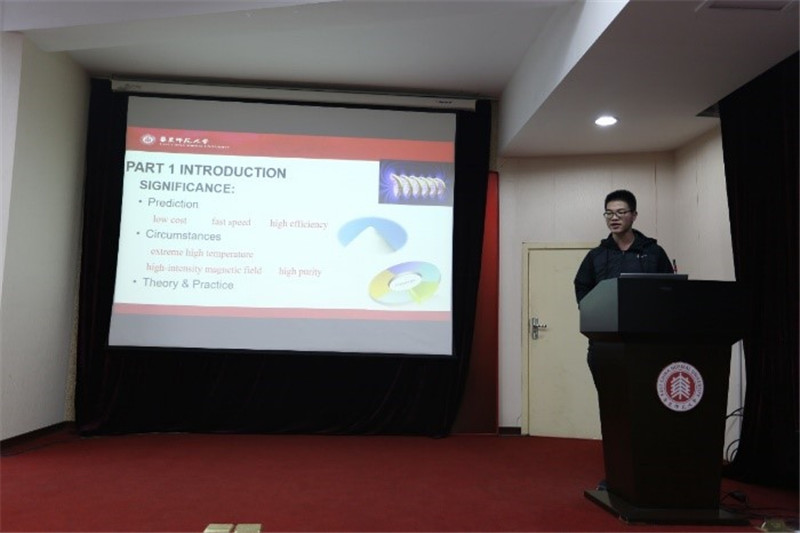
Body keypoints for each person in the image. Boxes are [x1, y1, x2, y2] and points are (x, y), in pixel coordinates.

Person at [573, 189, 673, 491]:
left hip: (646, 346)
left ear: (634, 215)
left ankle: (650, 472)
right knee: (614, 410)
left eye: (620, 212)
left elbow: (669, 291)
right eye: (609, 213)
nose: (614, 218)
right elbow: (582, 291)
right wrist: (595, 313)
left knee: (646, 410)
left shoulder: (653, 253)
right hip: (606, 347)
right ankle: (617, 474)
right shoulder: (596, 256)